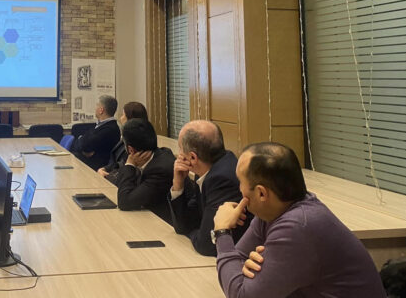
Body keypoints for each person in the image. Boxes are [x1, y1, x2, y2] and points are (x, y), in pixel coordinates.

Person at [212, 142, 386, 298]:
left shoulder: (298, 227)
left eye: (240, 182)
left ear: (261, 193)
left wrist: (222, 231)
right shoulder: (274, 212)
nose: (239, 189)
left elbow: (241, 294)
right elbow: (239, 263)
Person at [169, 120, 248, 256]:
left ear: (192, 157)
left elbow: (206, 245)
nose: (179, 154)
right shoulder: (209, 169)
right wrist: (178, 184)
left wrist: (193, 231)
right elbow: (184, 224)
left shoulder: (221, 179)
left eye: (180, 148)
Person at [115, 119, 175, 223]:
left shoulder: (160, 170)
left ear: (130, 150)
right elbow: (120, 185)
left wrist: (130, 165)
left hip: (163, 224)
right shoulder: (157, 154)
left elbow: (124, 202)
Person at [97, 101, 148, 183]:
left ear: (130, 118)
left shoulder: (137, 142)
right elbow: (117, 162)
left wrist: (107, 176)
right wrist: (104, 169)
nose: (120, 118)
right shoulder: (126, 136)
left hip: (122, 180)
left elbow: (125, 166)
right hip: (113, 173)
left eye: (123, 115)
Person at [74, 95, 121, 170]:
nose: (95, 109)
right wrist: (81, 141)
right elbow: (79, 144)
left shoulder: (109, 129)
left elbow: (84, 145)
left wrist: (81, 141)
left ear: (101, 110)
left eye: (97, 106)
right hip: (90, 164)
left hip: (97, 168)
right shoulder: (99, 125)